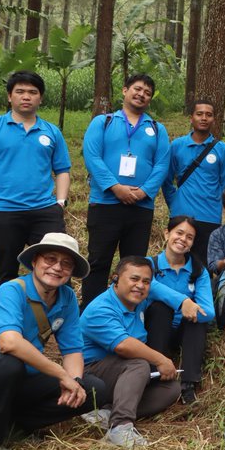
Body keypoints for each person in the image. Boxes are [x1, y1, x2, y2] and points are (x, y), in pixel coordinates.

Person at [0, 233, 106, 450]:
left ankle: (15, 425)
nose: (57, 267)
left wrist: (75, 383)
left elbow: (73, 350)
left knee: (93, 388)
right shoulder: (12, 290)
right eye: (50, 259)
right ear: (35, 261)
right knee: (7, 363)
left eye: (66, 263)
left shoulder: (67, 298)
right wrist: (61, 375)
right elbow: (9, 343)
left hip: (19, 380)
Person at [81, 256, 204, 448]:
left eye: (146, 281)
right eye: (134, 279)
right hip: (92, 376)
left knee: (171, 389)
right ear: (116, 278)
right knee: (139, 365)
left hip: (122, 373)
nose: (140, 285)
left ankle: (107, 412)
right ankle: (120, 427)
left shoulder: (139, 301)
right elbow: (123, 346)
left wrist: (183, 301)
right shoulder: (101, 308)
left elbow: (157, 290)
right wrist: (161, 360)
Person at [0, 71, 70, 284]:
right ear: (9, 96)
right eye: (20, 91)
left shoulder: (51, 131)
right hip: (5, 210)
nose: (26, 97)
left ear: (40, 98)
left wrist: (60, 202)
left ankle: (57, 306)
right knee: (5, 273)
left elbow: (62, 170)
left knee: (56, 269)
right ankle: (8, 307)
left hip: (45, 210)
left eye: (33, 92)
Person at [81, 73, 171, 305]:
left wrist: (143, 192)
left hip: (141, 207)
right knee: (98, 261)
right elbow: (92, 156)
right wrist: (115, 187)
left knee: (134, 265)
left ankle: (128, 311)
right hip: (105, 203)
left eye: (147, 93)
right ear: (125, 90)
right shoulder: (103, 122)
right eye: (137, 89)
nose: (141, 95)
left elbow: (162, 164)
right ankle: (91, 312)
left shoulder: (157, 129)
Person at [146, 217, 215, 405]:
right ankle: (154, 374)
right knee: (160, 308)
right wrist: (182, 301)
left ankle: (188, 383)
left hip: (184, 332)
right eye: (179, 233)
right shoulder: (149, 265)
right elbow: (149, 286)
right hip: (154, 331)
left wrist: (190, 309)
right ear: (167, 234)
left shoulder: (198, 271)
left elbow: (209, 312)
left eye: (189, 237)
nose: (183, 239)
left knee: (197, 320)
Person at [162, 99, 225, 268]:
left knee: (203, 266)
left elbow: (224, 182)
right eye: (199, 114)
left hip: (210, 216)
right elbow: (167, 179)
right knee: (176, 261)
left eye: (209, 115)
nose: (204, 118)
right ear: (191, 118)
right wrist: (174, 202)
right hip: (181, 213)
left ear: (214, 119)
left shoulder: (221, 149)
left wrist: (215, 202)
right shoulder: (177, 145)